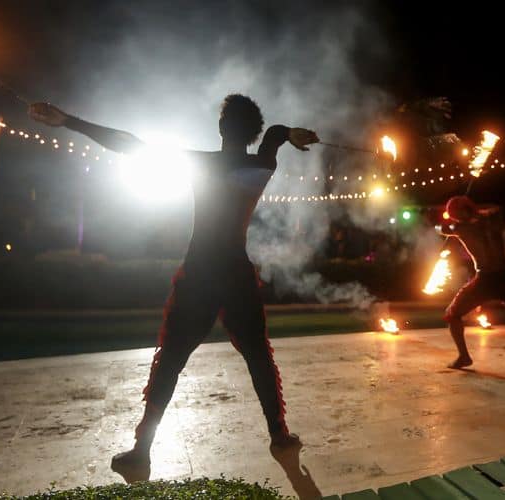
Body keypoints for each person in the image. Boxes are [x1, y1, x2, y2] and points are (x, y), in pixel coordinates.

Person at [28, 95, 319, 482]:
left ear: (220, 129)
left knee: (171, 361)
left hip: (200, 274)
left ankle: (141, 452)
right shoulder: (262, 164)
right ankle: (279, 436)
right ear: (252, 133)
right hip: (235, 273)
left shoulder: (202, 164)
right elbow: (273, 137)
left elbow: (130, 144)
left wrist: (68, 121)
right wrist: (287, 133)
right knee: (257, 356)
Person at [437, 196, 505, 369]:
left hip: (494, 278)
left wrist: (454, 222)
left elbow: (442, 228)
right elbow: (496, 209)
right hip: (493, 278)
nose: (457, 218)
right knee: (453, 314)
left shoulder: (461, 228)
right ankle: (464, 356)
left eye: (457, 214)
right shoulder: (487, 220)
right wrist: (476, 213)